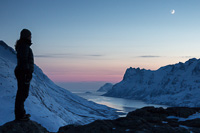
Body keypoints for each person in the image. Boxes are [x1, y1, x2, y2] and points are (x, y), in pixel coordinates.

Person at [14, 29, 34, 121]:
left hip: (22, 72)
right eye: (30, 35)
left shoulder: (23, 46)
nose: (31, 37)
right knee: (22, 93)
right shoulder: (24, 46)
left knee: (22, 93)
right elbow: (24, 60)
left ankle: (21, 113)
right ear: (26, 36)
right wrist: (27, 72)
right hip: (23, 72)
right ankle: (20, 115)